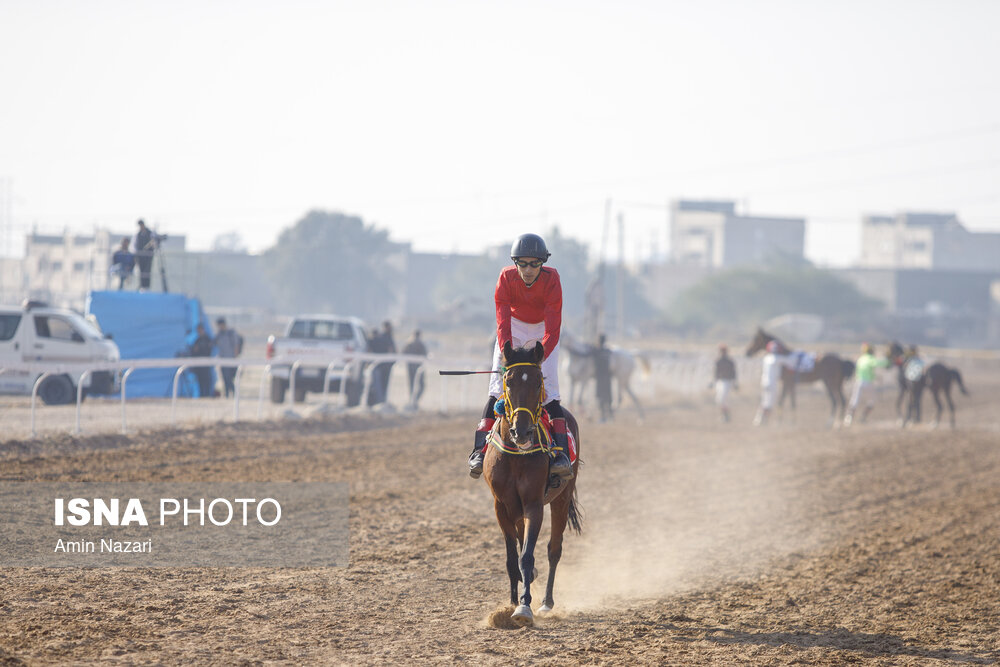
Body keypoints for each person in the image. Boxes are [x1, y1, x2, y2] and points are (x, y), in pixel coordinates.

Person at [468, 233, 573, 481]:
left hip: (542, 330)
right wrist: (507, 352)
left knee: (551, 393)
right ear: (515, 263)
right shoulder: (506, 277)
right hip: (513, 328)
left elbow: (553, 327)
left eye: (534, 263)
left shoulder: (552, 279)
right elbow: (502, 320)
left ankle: (561, 454)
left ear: (543, 263)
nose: (528, 269)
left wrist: (539, 355)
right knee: (496, 391)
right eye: (522, 263)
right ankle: (479, 451)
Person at [845, 343, 890, 426]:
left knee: (854, 400)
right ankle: (863, 417)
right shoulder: (870, 358)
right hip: (868, 383)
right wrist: (888, 360)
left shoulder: (860, 359)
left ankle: (848, 419)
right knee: (872, 401)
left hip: (858, 382)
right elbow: (879, 363)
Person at [754, 340, 788, 426]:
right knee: (769, 403)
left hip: (765, 383)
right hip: (772, 384)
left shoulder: (767, 358)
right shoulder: (776, 358)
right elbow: (790, 361)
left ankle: (759, 419)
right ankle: (763, 421)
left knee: (765, 402)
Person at [213, 317, 243, 398]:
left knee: (229, 378)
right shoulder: (219, 335)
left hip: (231, 360)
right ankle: (227, 394)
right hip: (222, 360)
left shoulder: (231, 333)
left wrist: (235, 358)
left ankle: (234, 393)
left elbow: (236, 345)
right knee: (225, 378)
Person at [368, 321, 396, 405]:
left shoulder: (382, 337)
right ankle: (380, 401)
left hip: (382, 365)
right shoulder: (385, 338)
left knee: (379, 384)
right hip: (383, 366)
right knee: (380, 385)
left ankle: (380, 401)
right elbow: (391, 350)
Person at [402, 329, 428, 409]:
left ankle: (412, 401)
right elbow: (425, 354)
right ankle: (414, 401)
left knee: (412, 385)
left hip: (410, 367)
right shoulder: (420, 344)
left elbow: (403, 353)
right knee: (421, 385)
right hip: (418, 367)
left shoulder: (409, 343)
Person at [712, 343, 738, 423]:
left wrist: (735, 383)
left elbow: (733, 373)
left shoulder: (729, 361)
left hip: (727, 382)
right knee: (719, 399)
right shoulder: (718, 361)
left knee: (724, 399)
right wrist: (714, 381)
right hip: (720, 381)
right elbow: (716, 372)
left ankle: (726, 415)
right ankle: (724, 414)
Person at [188, 323, 215, 398]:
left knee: (207, 381)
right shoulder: (197, 340)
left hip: (206, 365)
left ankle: (208, 395)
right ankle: (202, 396)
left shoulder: (208, 339)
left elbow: (210, 350)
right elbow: (193, 352)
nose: (199, 332)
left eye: (200, 330)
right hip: (198, 366)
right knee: (200, 382)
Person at [593, 333, 613, 423]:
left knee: (601, 397)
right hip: (608, 377)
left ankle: (603, 417)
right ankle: (611, 416)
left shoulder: (597, 351)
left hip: (600, 378)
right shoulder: (608, 351)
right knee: (608, 397)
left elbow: (585, 354)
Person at [135, 219, 154, 290]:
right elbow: (136, 245)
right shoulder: (138, 234)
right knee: (142, 272)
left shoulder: (149, 233)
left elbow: (152, 242)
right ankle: (142, 286)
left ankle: (147, 287)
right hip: (141, 256)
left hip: (148, 256)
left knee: (147, 271)